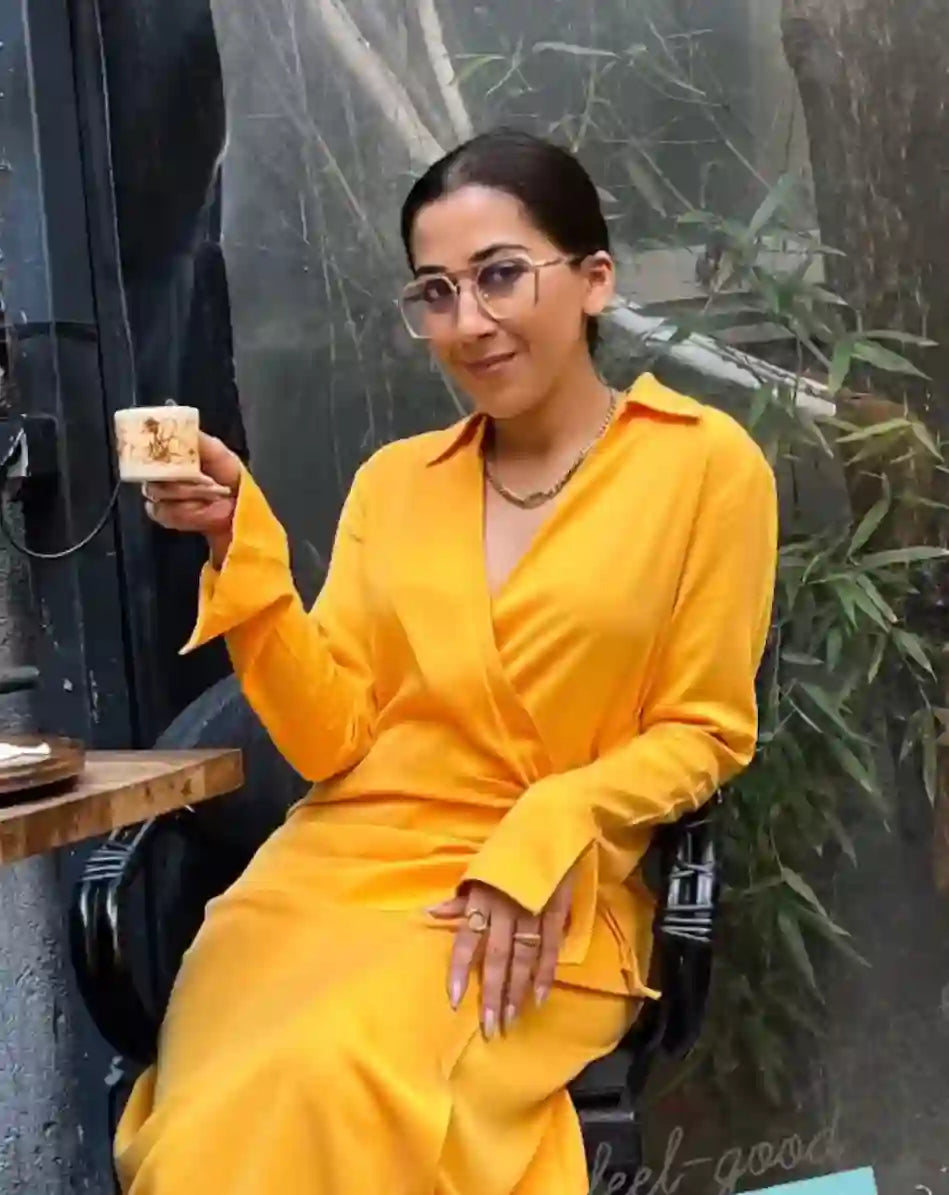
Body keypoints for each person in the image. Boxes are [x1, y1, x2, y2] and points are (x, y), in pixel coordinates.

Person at [115, 129, 778, 1194]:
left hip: (544, 899)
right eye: (435, 291)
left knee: (335, 1076)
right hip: (327, 884)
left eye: (500, 275)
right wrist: (240, 543)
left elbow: (706, 729)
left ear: (594, 280)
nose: (467, 323)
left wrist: (551, 821)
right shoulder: (396, 482)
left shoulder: (703, 469)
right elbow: (329, 735)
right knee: (221, 1108)